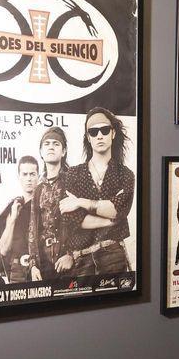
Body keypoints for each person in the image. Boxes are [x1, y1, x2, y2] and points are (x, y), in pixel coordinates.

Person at [61, 107, 135, 275]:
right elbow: (73, 218)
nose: (99, 136)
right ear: (88, 137)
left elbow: (118, 210)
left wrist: (80, 202)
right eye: (93, 132)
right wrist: (111, 221)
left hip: (113, 255)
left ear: (113, 133)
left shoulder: (125, 174)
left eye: (105, 130)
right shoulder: (73, 173)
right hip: (81, 260)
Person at [28, 126, 72, 280]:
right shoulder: (38, 189)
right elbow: (33, 229)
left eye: (56, 144)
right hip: (44, 263)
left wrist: (71, 255)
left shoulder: (72, 181)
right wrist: (33, 265)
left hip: (68, 260)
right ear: (41, 152)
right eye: (47, 144)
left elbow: (81, 221)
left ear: (63, 151)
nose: (51, 147)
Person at [0, 156, 39, 283]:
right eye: (24, 174)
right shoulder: (13, 206)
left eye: (32, 174)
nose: (28, 179)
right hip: (17, 271)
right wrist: (12, 219)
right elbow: (3, 249)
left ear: (38, 175)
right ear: (19, 177)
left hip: (40, 266)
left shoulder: (44, 203)